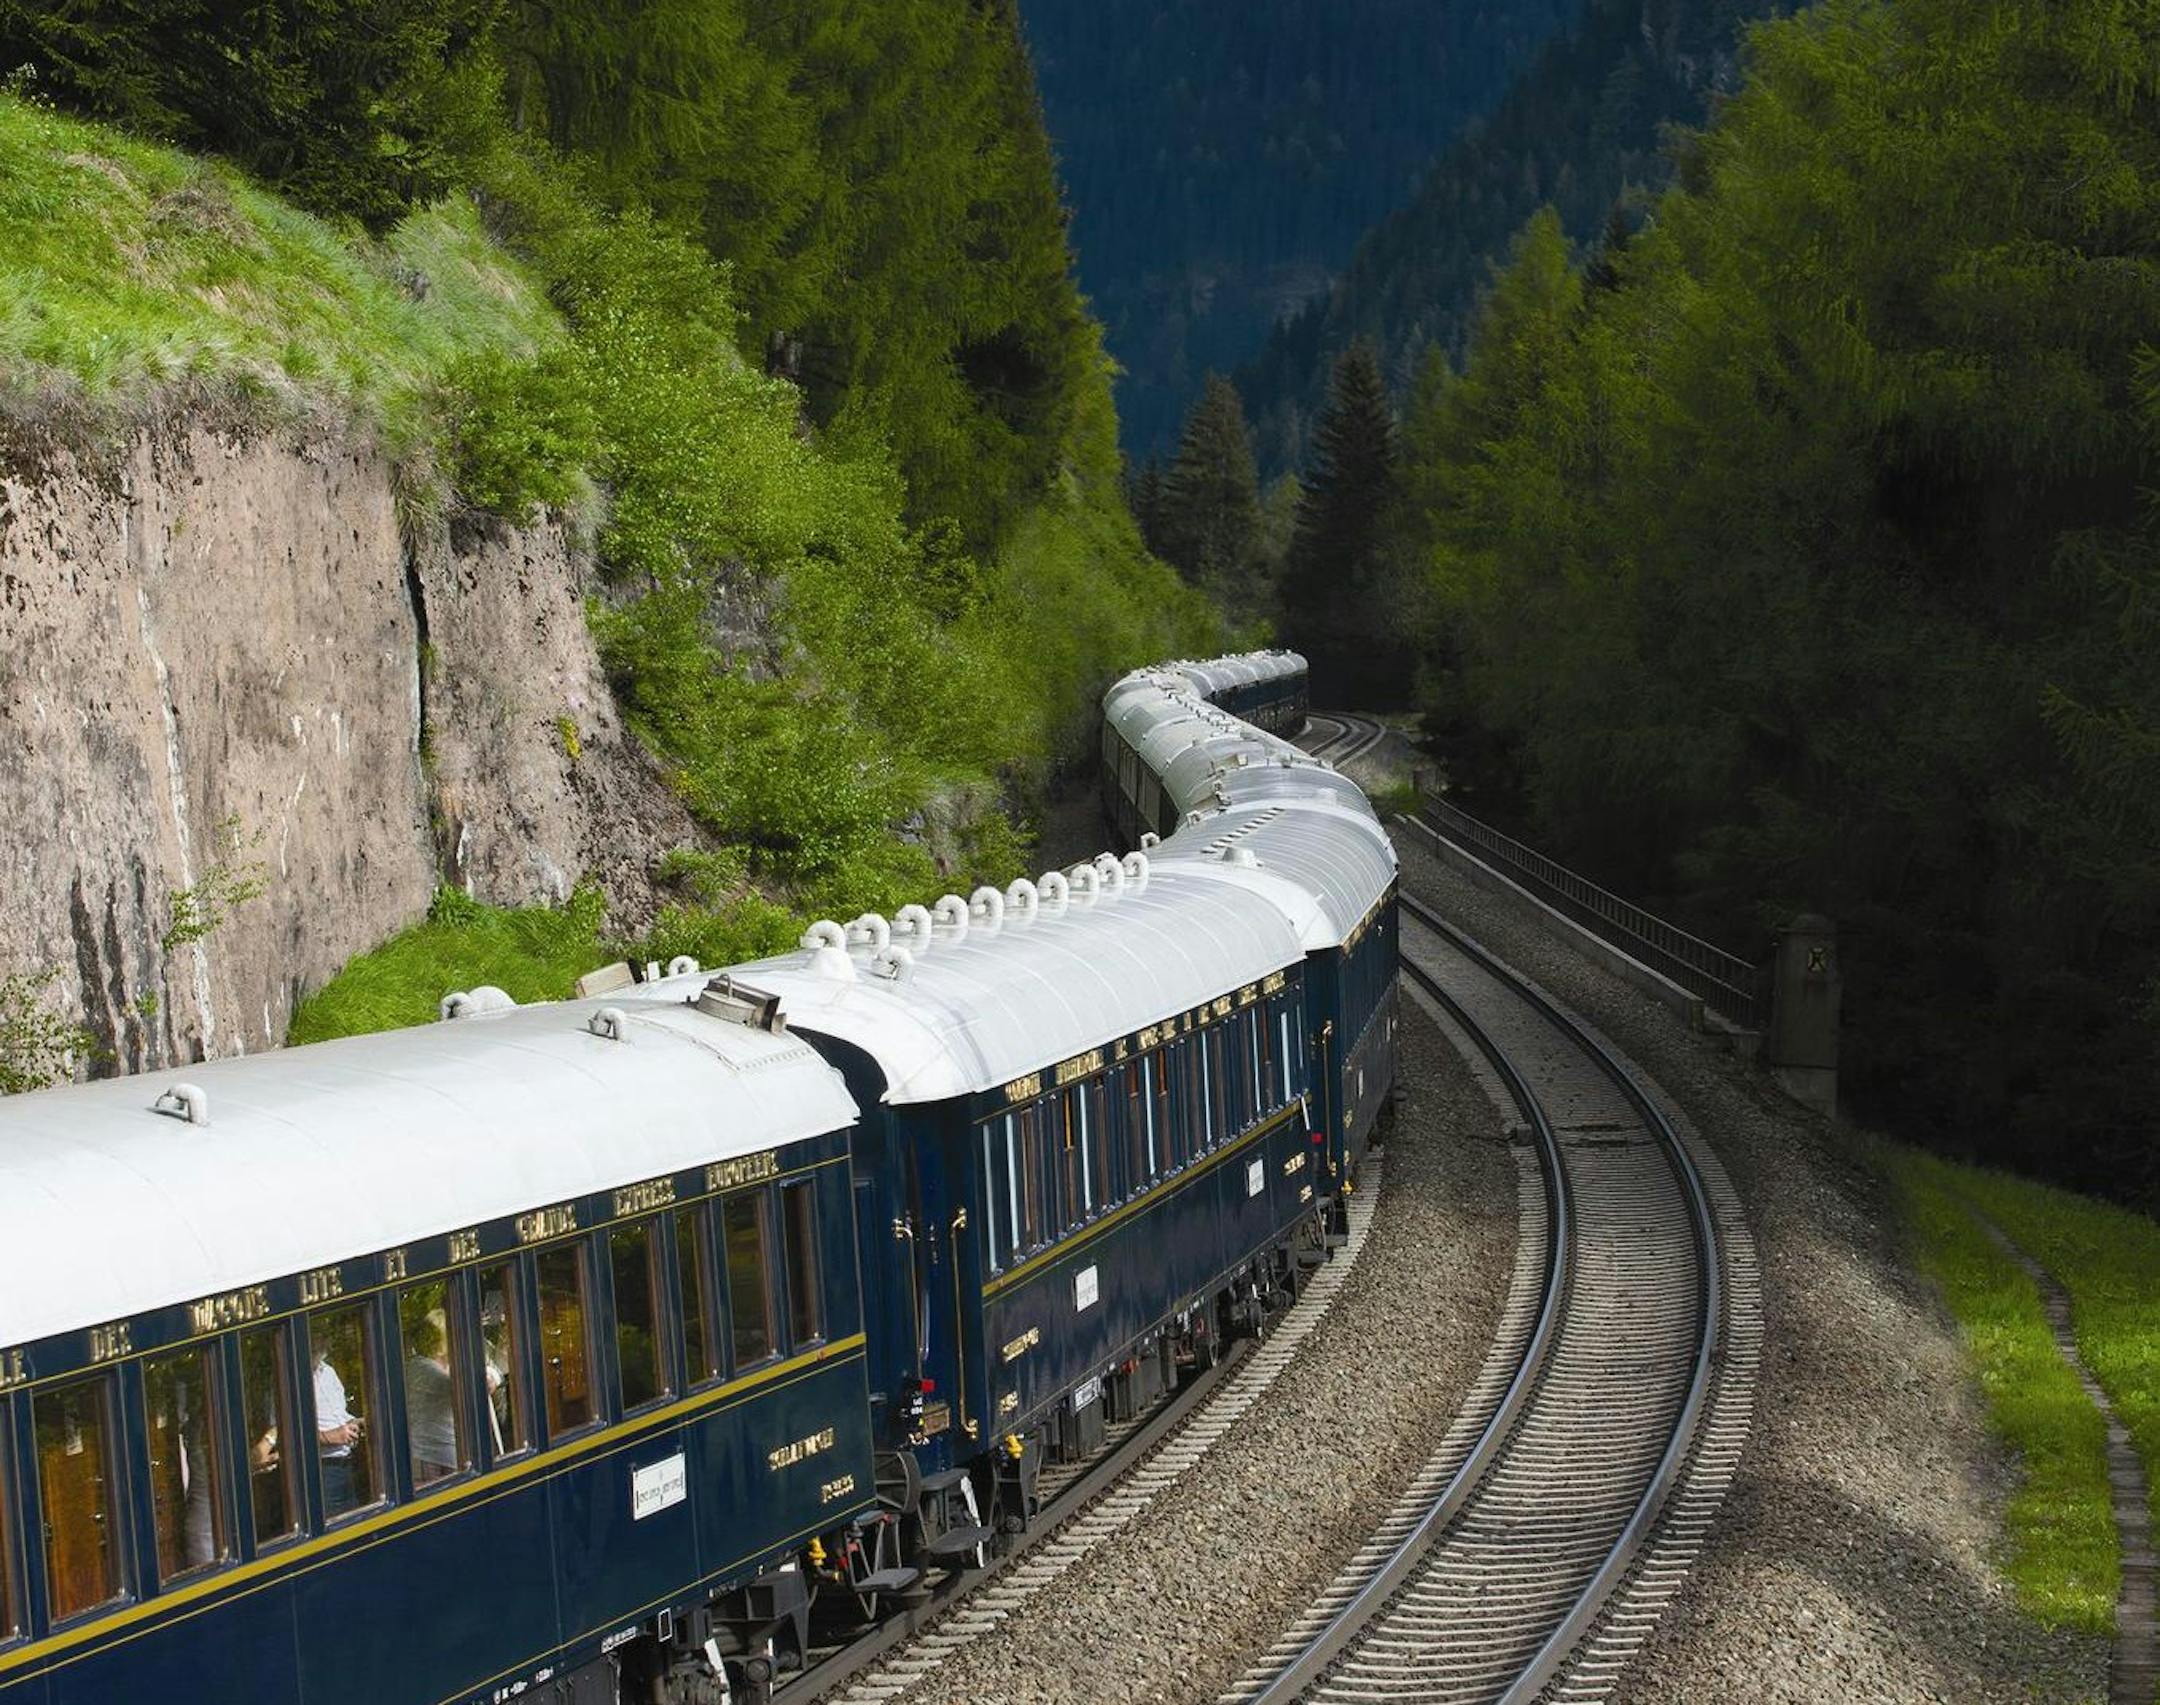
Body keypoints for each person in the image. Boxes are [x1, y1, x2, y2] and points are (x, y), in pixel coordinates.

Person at [402, 1309, 459, 1484]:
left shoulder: (445, 1366)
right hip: (429, 1455)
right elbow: (459, 1387)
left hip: (447, 1451)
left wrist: (493, 1374)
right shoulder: (420, 1368)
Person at [313, 1348, 362, 1517]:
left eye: (322, 1336)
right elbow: (283, 1431)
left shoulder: (329, 1372)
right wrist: (329, 1437)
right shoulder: (288, 1379)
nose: (320, 1342)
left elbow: (340, 1413)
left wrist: (354, 1422)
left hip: (346, 1466)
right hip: (321, 1471)